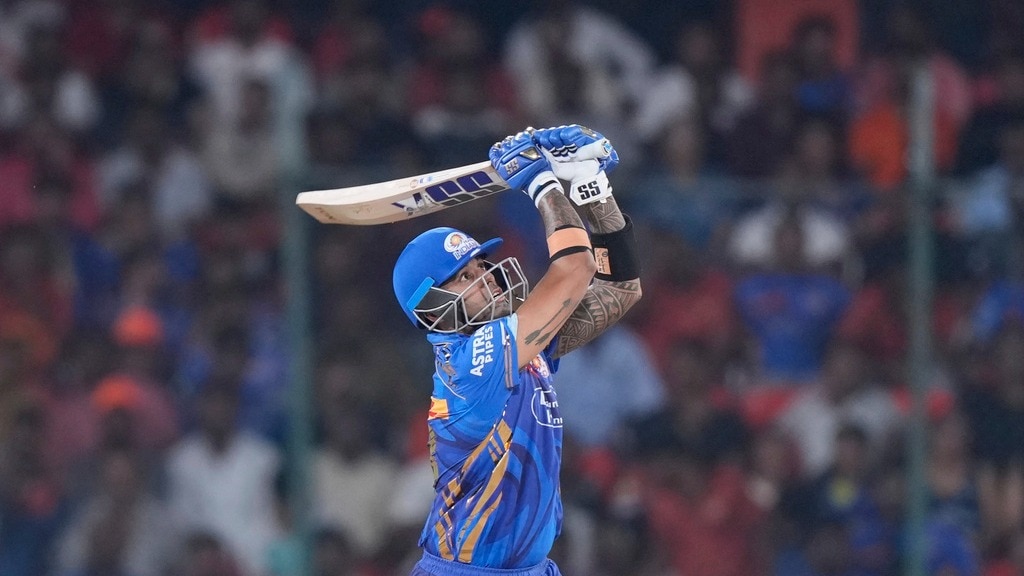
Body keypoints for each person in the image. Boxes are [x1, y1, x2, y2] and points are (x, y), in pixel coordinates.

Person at [391, 125, 643, 575]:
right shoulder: (472, 363)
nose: (486, 278)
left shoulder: (519, 346)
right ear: (431, 309)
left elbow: (620, 288)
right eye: (464, 277)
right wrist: (539, 181)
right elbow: (575, 268)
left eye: (481, 266)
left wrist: (592, 186)